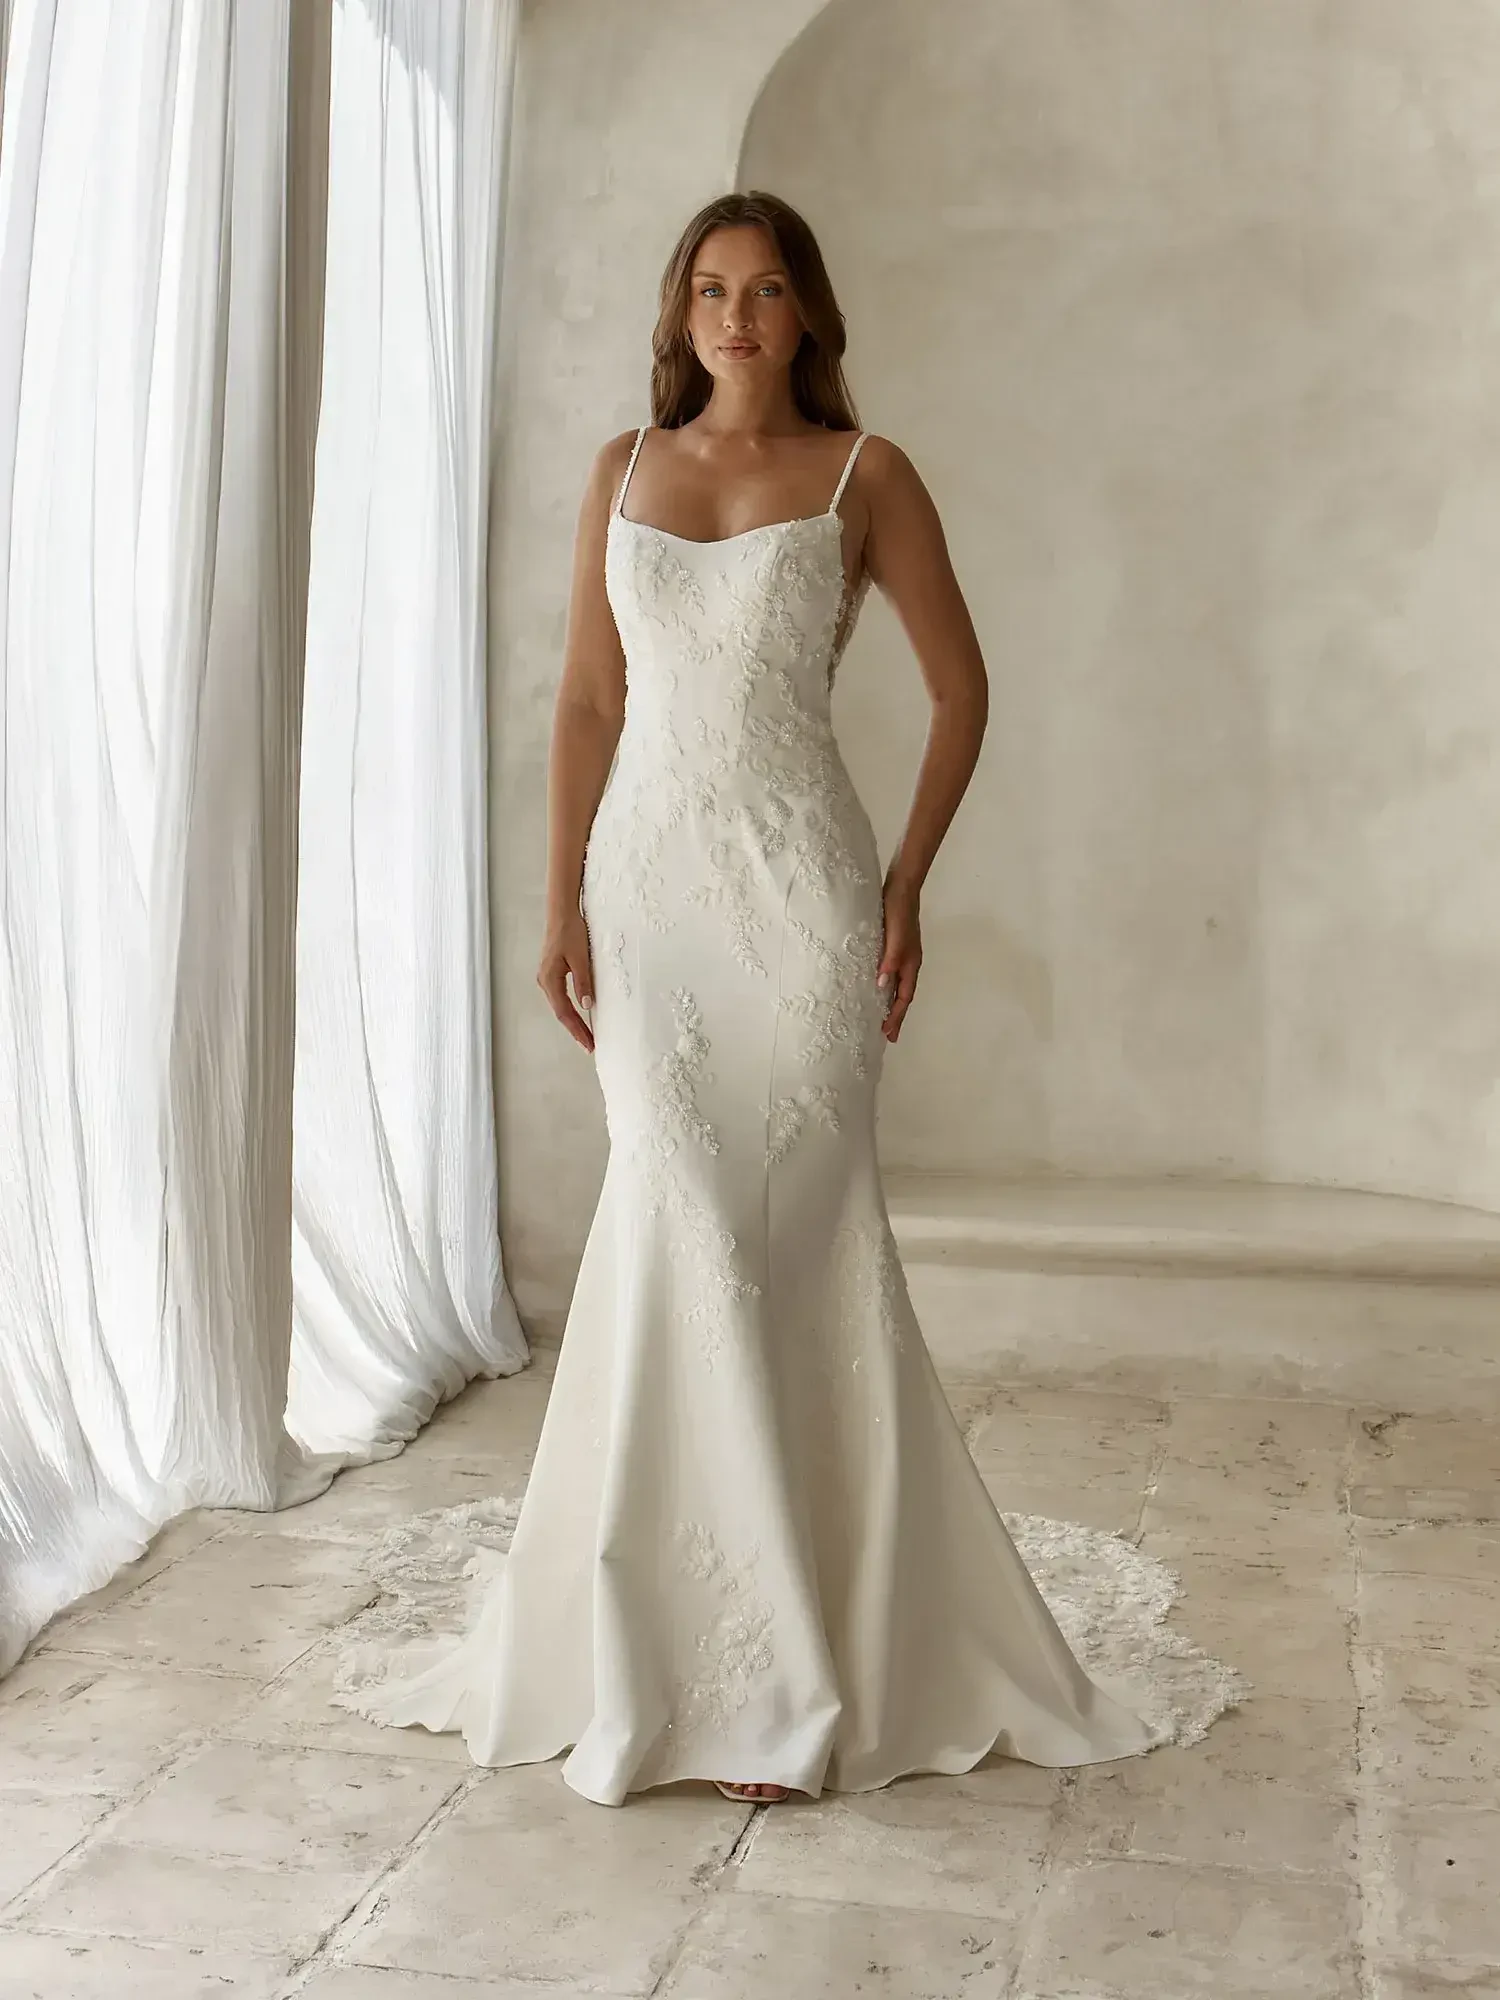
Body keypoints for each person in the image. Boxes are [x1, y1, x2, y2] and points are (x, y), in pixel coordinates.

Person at [332, 189, 1243, 1807]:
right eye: (709, 291)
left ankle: (786, 1666)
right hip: (651, 897)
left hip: (802, 895)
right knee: (681, 1214)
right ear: (679, 314)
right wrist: (557, 903)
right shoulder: (622, 470)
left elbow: (962, 687)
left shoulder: (864, 474)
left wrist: (906, 882)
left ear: (807, 310)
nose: (737, 319)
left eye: (763, 291)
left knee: (799, 1243)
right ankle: (671, 1639)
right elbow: (589, 699)